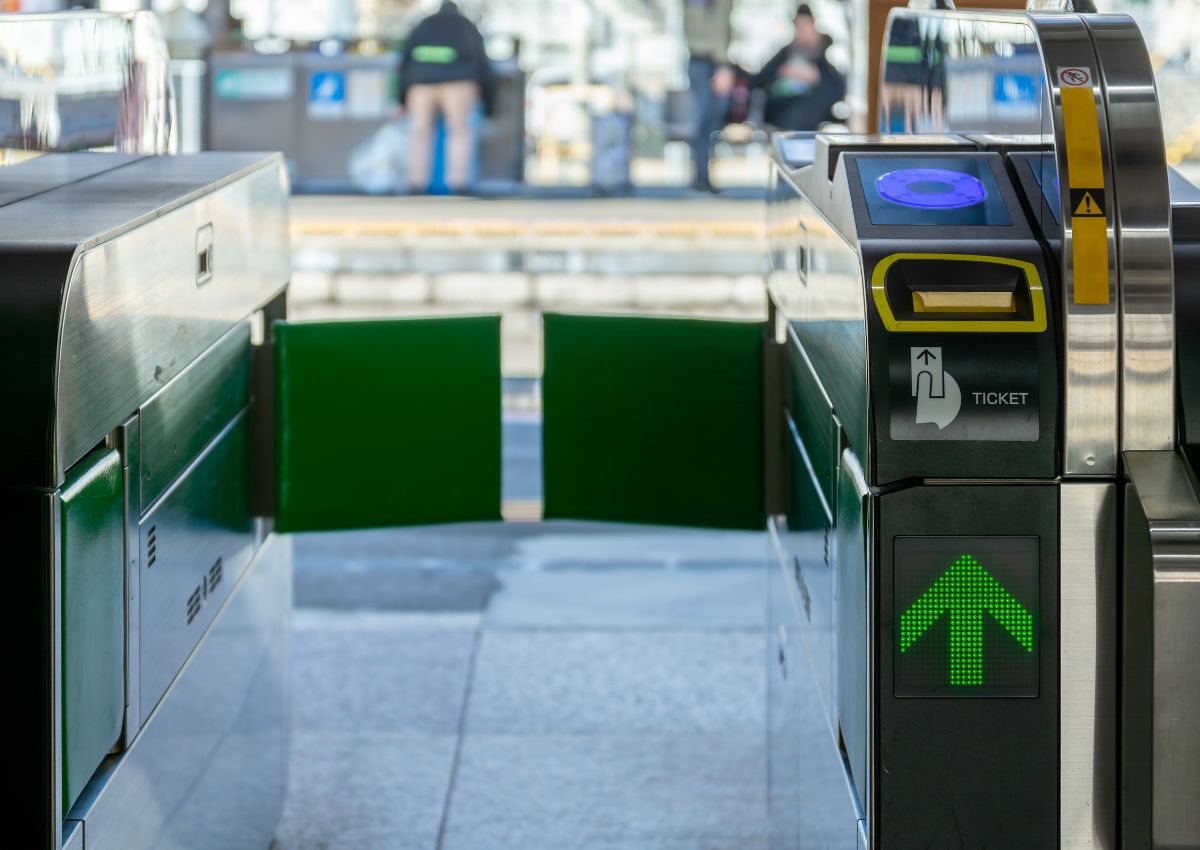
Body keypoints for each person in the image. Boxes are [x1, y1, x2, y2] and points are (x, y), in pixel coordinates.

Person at [399, 0, 494, 193]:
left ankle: (416, 183)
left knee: (419, 132)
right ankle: (459, 183)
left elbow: (405, 60)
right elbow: (482, 63)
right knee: (459, 131)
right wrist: (489, 103)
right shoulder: (467, 26)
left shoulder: (423, 25)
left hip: (421, 83)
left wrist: (400, 98)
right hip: (459, 84)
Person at [750, 5, 845, 132]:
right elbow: (760, 79)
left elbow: (837, 88)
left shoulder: (822, 54)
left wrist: (814, 77)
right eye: (799, 27)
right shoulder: (786, 52)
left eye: (805, 26)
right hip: (782, 110)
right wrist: (785, 72)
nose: (802, 31)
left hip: (812, 111)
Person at [684, 0, 735, 192]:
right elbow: (712, 28)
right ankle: (701, 177)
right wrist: (723, 65)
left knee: (711, 122)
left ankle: (703, 176)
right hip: (705, 62)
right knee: (705, 121)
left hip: (712, 62)